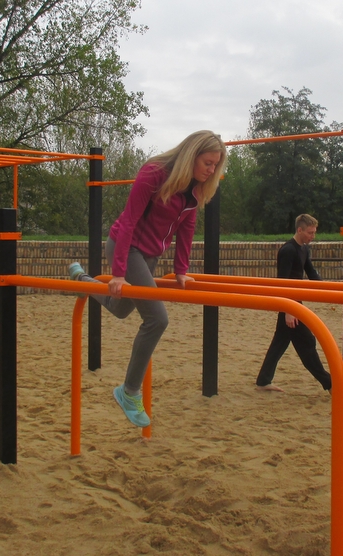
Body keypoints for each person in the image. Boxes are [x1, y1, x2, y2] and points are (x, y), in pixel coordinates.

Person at [68, 131, 227, 428]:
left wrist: (181, 269)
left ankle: (83, 280)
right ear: (191, 155)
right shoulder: (154, 173)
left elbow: (188, 227)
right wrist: (117, 273)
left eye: (215, 166)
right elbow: (128, 220)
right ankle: (129, 391)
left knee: (120, 309)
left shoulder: (195, 191)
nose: (210, 170)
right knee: (157, 318)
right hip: (126, 248)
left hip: (149, 255)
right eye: (207, 163)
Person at [255, 214, 332, 394]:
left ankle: (263, 380)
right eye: (310, 233)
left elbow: (311, 273)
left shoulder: (304, 249)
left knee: (280, 342)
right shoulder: (288, 250)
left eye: (314, 233)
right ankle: (330, 384)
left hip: (294, 303)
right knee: (307, 342)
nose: (313, 236)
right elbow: (282, 282)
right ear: (300, 230)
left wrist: (330, 291)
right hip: (290, 304)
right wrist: (288, 310)